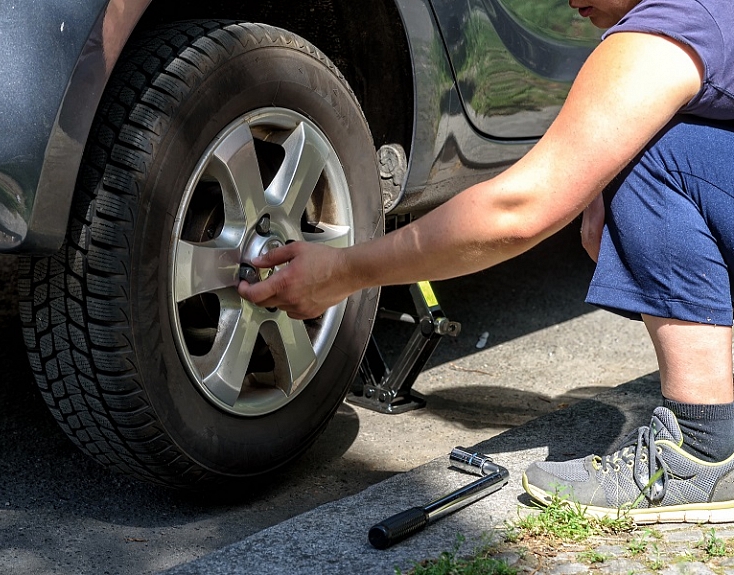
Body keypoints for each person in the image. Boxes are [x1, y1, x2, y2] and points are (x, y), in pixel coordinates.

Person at [239, 0, 734, 523]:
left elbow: (519, 208)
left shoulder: (667, 31)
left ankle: (699, 452)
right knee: (622, 150)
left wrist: (342, 272)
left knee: (645, 150)